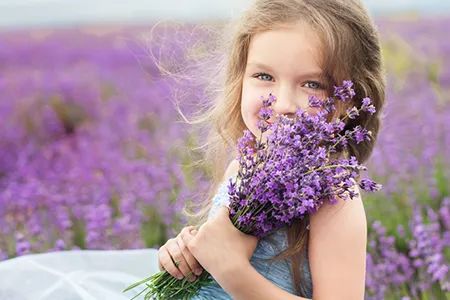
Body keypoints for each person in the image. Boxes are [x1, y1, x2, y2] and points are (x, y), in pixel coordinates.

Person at [0, 0, 385, 299]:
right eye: (264, 76)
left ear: (350, 100)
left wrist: (232, 272)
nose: (282, 102)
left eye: (313, 84)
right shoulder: (245, 166)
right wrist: (184, 253)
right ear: (240, 79)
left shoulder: (336, 197)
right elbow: (215, 245)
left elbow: (229, 261)